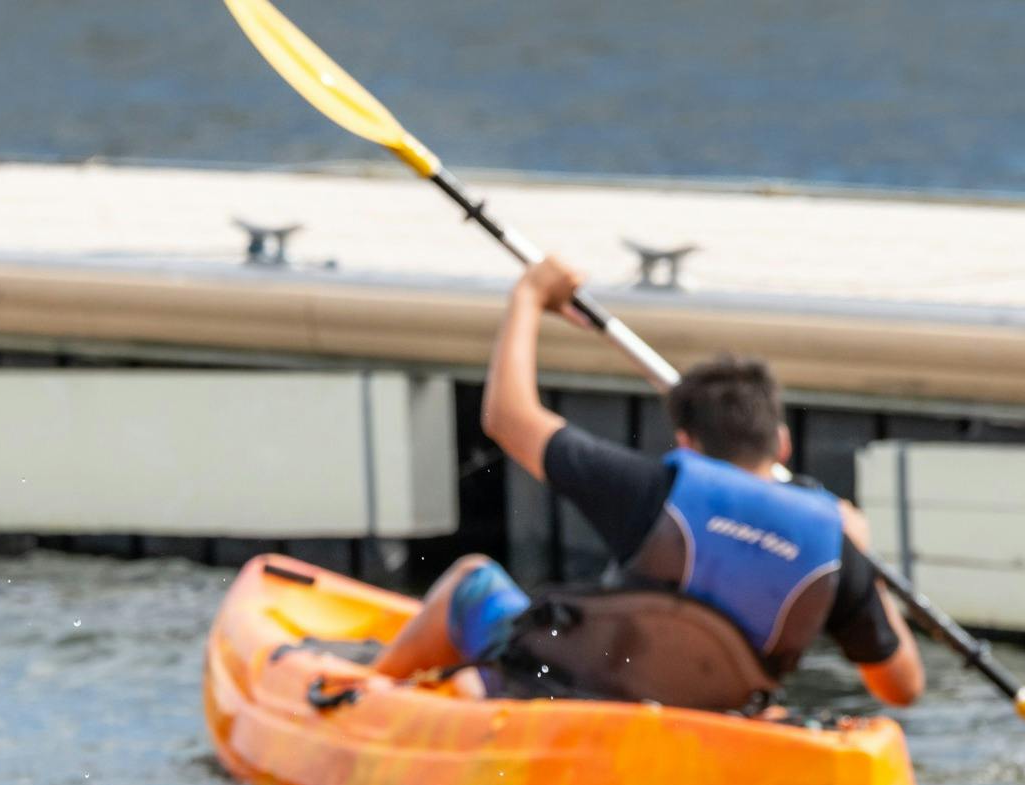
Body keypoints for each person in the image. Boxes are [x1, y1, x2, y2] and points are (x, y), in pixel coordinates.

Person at [369, 255, 923, 712]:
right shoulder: (829, 545)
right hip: (716, 716)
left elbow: (507, 419)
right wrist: (861, 561)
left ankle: (363, 699)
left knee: (475, 580)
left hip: (585, 692)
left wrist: (530, 296)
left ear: (687, 444)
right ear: (781, 444)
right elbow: (901, 688)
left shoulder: (654, 493)